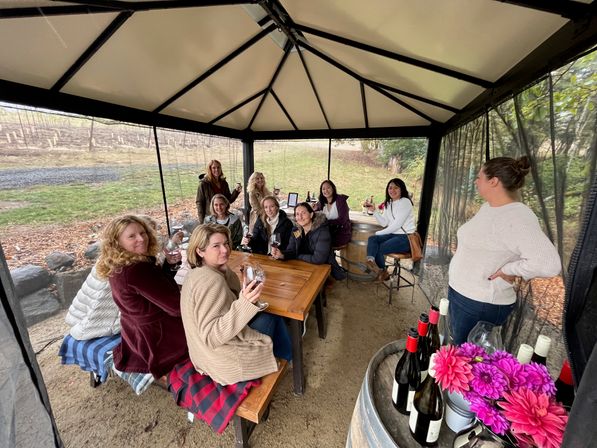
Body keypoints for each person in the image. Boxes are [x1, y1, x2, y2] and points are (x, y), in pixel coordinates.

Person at [448, 156, 561, 344]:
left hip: (481, 302)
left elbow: (549, 263)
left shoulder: (517, 216)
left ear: (493, 181)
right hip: (463, 292)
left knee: (467, 361)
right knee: (457, 351)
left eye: (479, 177)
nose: (476, 181)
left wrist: (509, 270)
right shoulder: (488, 207)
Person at [180, 224, 292, 386]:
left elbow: (227, 303)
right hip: (223, 362)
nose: (225, 250)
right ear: (200, 251)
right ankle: (286, 358)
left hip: (201, 356)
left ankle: (285, 356)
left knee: (266, 315)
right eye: (216, 246)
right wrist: (245, 303)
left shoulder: (197, 273)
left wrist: (231, 278)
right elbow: (212, 336)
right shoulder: (211, 281)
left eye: (226, 243)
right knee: (272, 317)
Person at [95, 215, 188, 378]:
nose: (141, 239)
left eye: (143, 233)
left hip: (135, 334)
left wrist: (170, 265)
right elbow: (176, 307)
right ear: (117, 241)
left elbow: (154, 289)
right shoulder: (136, 269)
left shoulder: (120, 262)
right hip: (158, 338)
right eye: (132, 236)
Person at [271, 202, 345, 280]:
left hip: (326, 272)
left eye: (303, 213)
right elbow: (292, 250)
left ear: (311, 215)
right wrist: (282, 255)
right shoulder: (296, 230)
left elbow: (318, 259)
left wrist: (297, 256)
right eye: (297, 214)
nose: (300, 217)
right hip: (303, 268)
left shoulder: (322, 232)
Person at [365, 178, 416, 281]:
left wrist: (378, 233)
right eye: (390, 187)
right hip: (394, 235)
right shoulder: (389, 203)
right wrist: (374, 211)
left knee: (379, 246)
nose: (392, 190)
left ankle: (381, 270)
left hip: (405, 238)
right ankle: (371, 262)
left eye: (396, 188)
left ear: (402, 189)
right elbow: (384, 222)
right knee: (372, 239)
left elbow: (397, 225)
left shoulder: (405, 202)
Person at [313, 180, 351, 247]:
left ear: (333, 188)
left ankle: (325, 256)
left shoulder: (340, 201)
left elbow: (342, 220)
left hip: (340, 234)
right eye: (323, 189)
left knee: (319, 241)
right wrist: (314, 210)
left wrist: (325, 223)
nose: (326, 190)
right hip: (326, 232)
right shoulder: (321, 203)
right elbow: (315, 216)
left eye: (328, 188)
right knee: (311, 239)